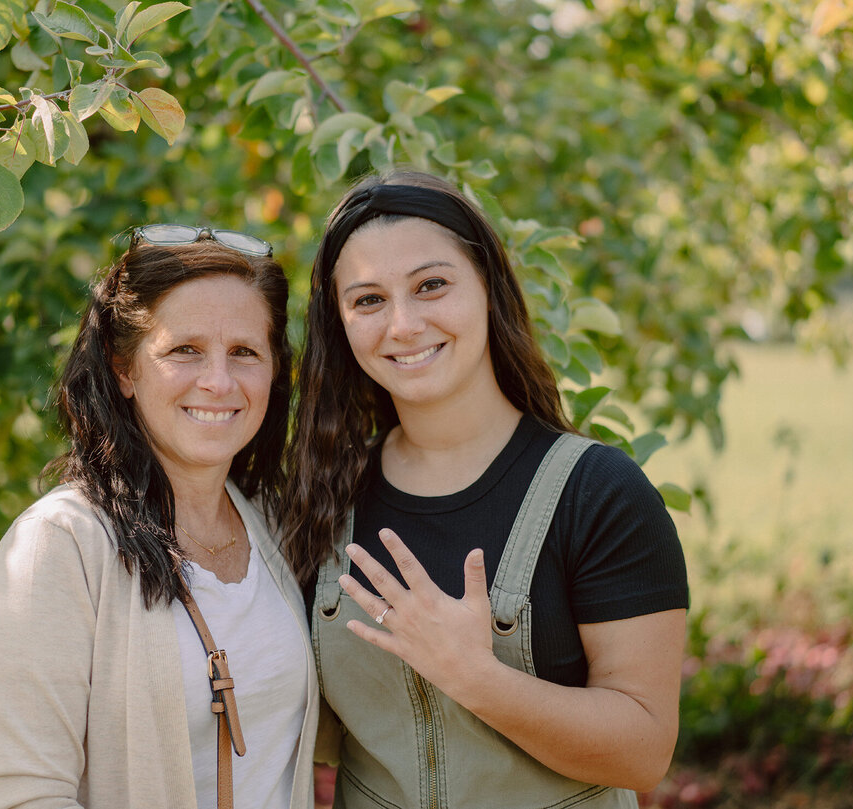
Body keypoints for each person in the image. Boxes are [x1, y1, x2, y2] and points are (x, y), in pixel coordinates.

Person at [280, 172, 689, 808]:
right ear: (340, 324)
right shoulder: (321, 497)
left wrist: (476, 678)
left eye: (431, 285)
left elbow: (644, 751)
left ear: (489, 289)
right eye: (368, 300)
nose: (404, 324)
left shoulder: (599, 494)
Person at [0, 225, 318, 809]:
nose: (218, 381)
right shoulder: (58, 547)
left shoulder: (273, 527)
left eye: (244, 352)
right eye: (185, 350)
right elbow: (23, 796)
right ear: (125, 369)